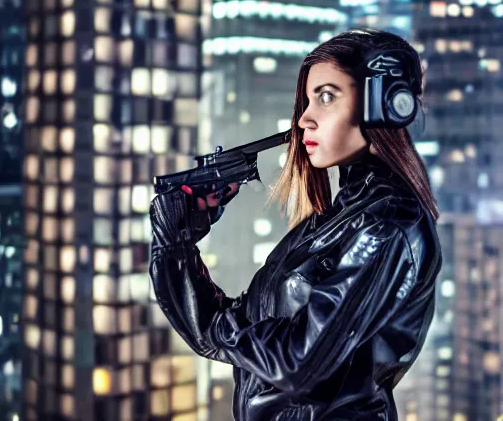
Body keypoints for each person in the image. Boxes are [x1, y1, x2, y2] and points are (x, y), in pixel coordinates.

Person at [149, 28, 443, 420]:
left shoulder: (387, 226)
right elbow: (216, 333)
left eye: (326, 96)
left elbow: (298, 363)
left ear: (382, 104)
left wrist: (229, 334)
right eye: (307, 99)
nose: (305, 117)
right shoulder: (329, 223)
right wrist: (175, 244)